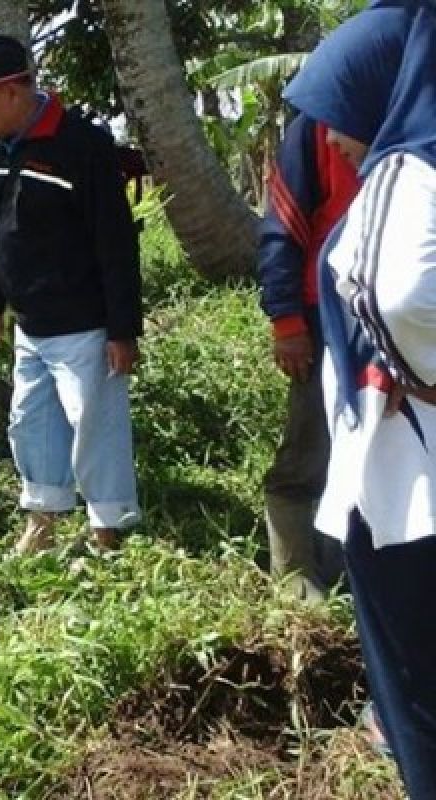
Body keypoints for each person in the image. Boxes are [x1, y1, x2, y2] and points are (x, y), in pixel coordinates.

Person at [284, 4, 436, 795]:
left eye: (340, 115)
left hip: (406, 467)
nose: (331, 139)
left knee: (416, 670)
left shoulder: (407, 187)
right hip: (395, 455)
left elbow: (403, 298)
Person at [0, 32, 143, 552]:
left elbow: (116, 241)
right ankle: (43, 520)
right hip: (29, 324)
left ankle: (106, 527)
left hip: (85, 325)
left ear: (11, 91)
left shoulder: (82, 145)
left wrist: (123, 329)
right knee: (32, 425)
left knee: (95, 427)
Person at [257, 111, 360, 600]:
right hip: (325, 314)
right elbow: (283, 224)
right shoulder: (319, 124)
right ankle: (295, 567)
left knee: (378, 447)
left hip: (397, 313)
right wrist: (287, 321)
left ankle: (353, 567)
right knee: (310, 442)